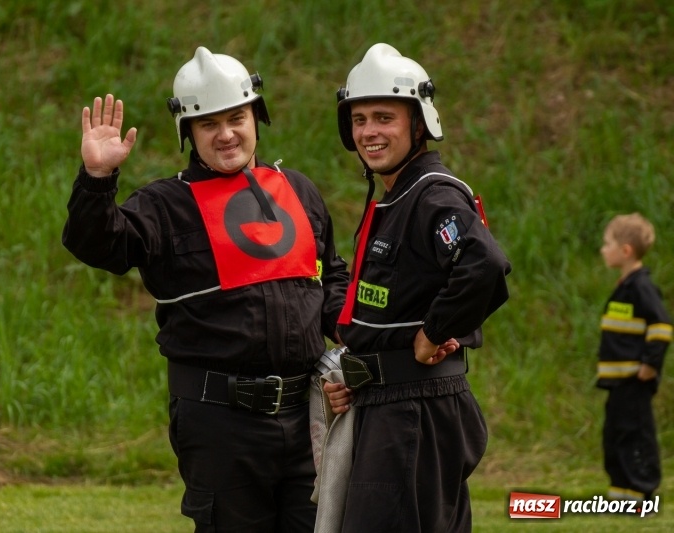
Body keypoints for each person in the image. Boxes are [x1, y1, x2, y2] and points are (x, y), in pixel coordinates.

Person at [62, 47, 349, 532]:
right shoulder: (164, 205)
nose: (226, 134)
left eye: (236, 117)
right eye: (208, 124)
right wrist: (97, 178)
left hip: (308, 419)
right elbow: (100, 245)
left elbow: (332, 277)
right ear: (188, 133)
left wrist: (357, 340)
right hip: (220, 426)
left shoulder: (297, 190)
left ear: (257, 116)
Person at [323, 43, 512, 532]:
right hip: (392, 406)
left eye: (384, 117)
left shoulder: (432, 194)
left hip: (414, 411)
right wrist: (356, 375)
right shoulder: (395, 195)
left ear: (419, 122)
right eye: (359, 119)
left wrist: (436, 330)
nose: (369, 132)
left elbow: (483, 263)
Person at [597, 213, 671, 502]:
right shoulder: (624, 287)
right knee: (615, 436)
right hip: (617, 381)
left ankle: (642, 490)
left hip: (634, 381)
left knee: (636, 436)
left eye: (607, 243)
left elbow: (661, 327)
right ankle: (621, 492)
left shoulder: (642, 287)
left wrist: (650, 365)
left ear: (625, 250)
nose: (603, 249)